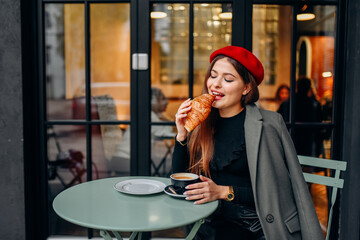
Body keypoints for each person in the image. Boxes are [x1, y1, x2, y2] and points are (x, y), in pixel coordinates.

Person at [172, 46, 323, 240]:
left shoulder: (268, 125)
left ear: (246, 87)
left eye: (227, 79)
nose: (215, 84)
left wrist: (223, 192)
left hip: (254, 228)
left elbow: (278, 193)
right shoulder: (202, 122)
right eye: (213, 75)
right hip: (206, 225)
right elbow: (179, 182)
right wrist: (182, 135)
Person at [278, 77, 323, 160]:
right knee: (307, 164)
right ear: (309, 88)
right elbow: (320, 125)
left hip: (290, 139)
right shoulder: (314, 104)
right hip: (308, 141)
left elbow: (278, 122)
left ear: (296, 87)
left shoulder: (288, 104)